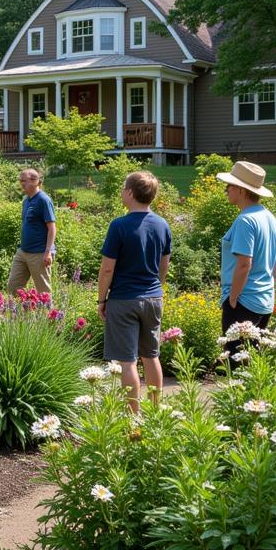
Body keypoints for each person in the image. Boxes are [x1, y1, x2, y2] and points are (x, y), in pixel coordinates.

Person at [96, 171, 172, 411]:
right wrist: (155, 287)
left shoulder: (119, 225)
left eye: (122, 188)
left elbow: (107, 269)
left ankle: (133, 415)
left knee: (127, 360)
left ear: (130, 193)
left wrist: (101, 299)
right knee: (151, 355)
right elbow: (164, 263)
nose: (121, 192)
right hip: (152, 297)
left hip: (124, 299)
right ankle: (156, 410)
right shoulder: (162, 224)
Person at [216, 160, 276, 345]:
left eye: (229, 186)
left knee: (236, 361)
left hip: (244, 301)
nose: (226, 190)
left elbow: (244, 264)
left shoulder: (246, 220)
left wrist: (233, 298)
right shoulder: (270, 218)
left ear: (241, 190)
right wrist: (270, 289)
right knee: (254, 362)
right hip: (264, 300)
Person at [7, 168, 56, 295]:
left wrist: (48, 252)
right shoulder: (26, 200)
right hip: (23, 251)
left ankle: (48, 314)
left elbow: (52, 228)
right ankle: (21, 313)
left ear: (35, 181)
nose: (21, 183)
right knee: (13, 288)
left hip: (39, 253)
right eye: (20, 180)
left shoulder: (43, 200)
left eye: (24, 180)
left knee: (43, 293)